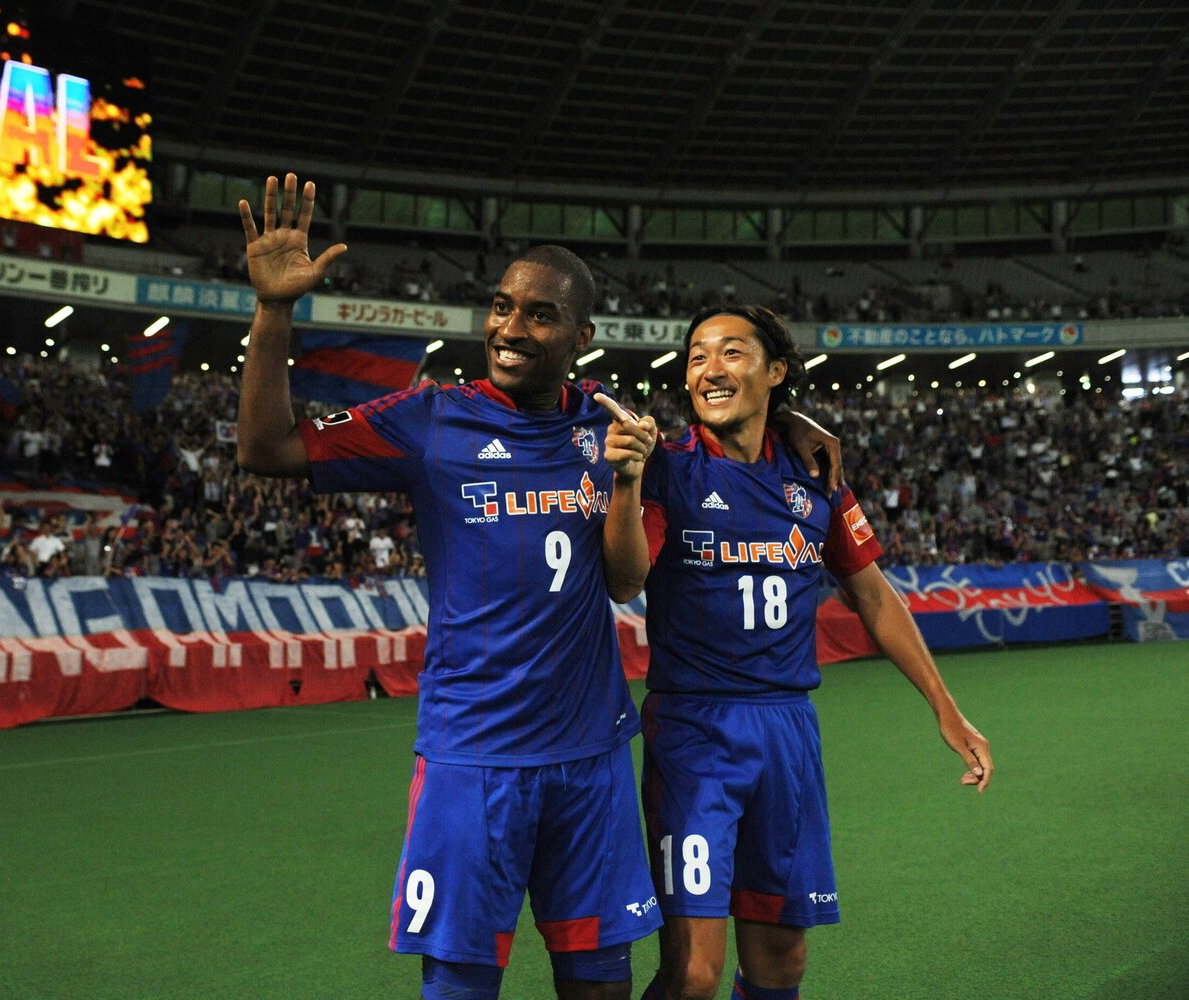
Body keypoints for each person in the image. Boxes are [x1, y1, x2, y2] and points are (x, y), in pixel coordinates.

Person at [235, 175, 844, 1000]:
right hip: (470, 758)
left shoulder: (608, 424)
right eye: (501, 307)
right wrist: (273, 313)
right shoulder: (433, 418)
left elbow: (708, 438)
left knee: (602, 987)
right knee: (459, 985)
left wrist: (795, 418)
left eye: (537, 314)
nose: (509, 327)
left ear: (580, 335)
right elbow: (266, 447)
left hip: (590, 760)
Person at [597, 305, 994, 1000]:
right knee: (692, 973)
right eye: (695, 357)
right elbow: (626, 579)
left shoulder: (816, 475)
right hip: (694, 733)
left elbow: (872, 595)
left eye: (730, 353)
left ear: (776, 371)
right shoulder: (669, 468)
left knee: (783, 964)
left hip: (788, 734)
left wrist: (945, 709)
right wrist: (627, 484)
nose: (709, 369)